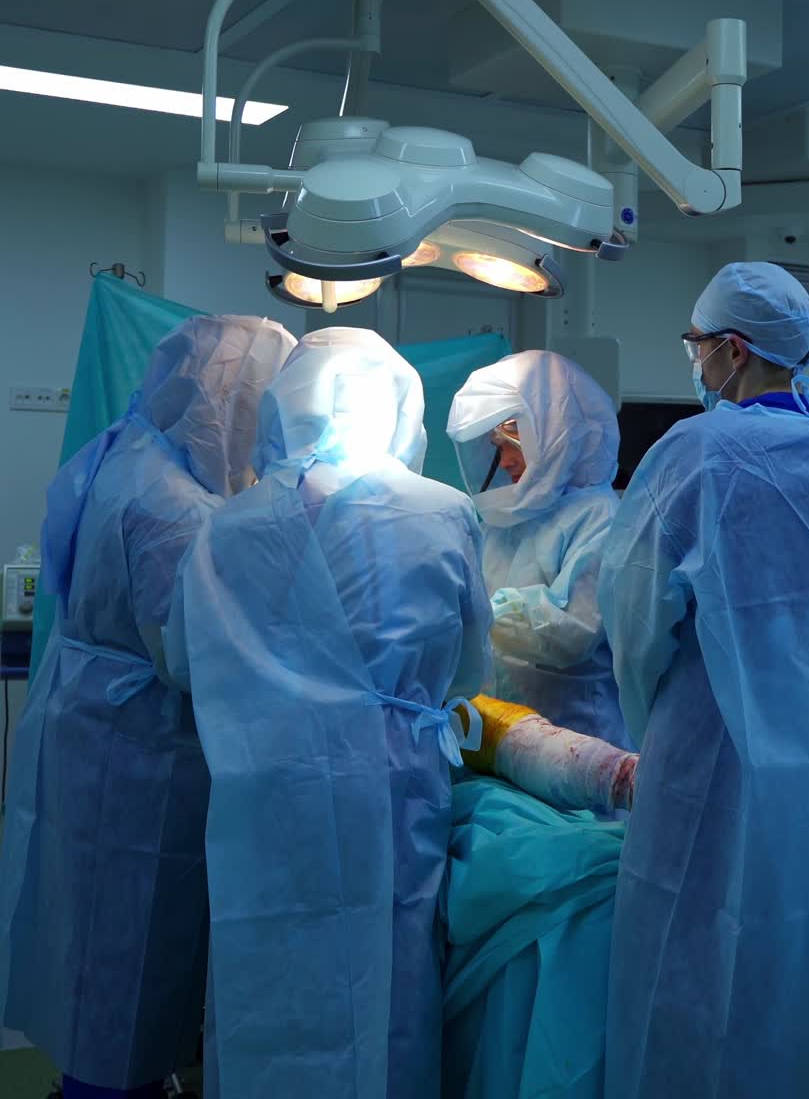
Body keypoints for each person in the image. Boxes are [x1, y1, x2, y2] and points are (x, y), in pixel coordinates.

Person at [599, 262, 809, 1099]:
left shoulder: (700, 451)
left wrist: (647, 726)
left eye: (698, 346)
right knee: (805, 961)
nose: (694, 362)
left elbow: (634, 619)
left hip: (713, 753)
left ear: (733, 350)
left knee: (692, 955)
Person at [164, 328, 490, 1099]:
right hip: (390, 790)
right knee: (385, 983)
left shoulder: (227, 527)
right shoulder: (441, 511)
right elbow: (472, 671)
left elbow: (183, 662)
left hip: (264, 795)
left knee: (266, 969)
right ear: (398, 407)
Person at [0, 315, 296, 1099]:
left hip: (93, 728)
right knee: (127, 944)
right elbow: (195, 660)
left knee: (86, 937)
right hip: (140, 757)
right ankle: (111, 1085)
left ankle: (94, 1077)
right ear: (229, 407)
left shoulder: (125, 457)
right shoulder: (175, 511)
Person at [447, 349, 629, 748]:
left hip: (578, 738)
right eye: (497, 445)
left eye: (515, 442)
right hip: (500, 732)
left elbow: (573, 629)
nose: (506, 460)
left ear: (558, 432)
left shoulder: (599, 516)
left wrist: (474, 611)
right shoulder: (501, 519)